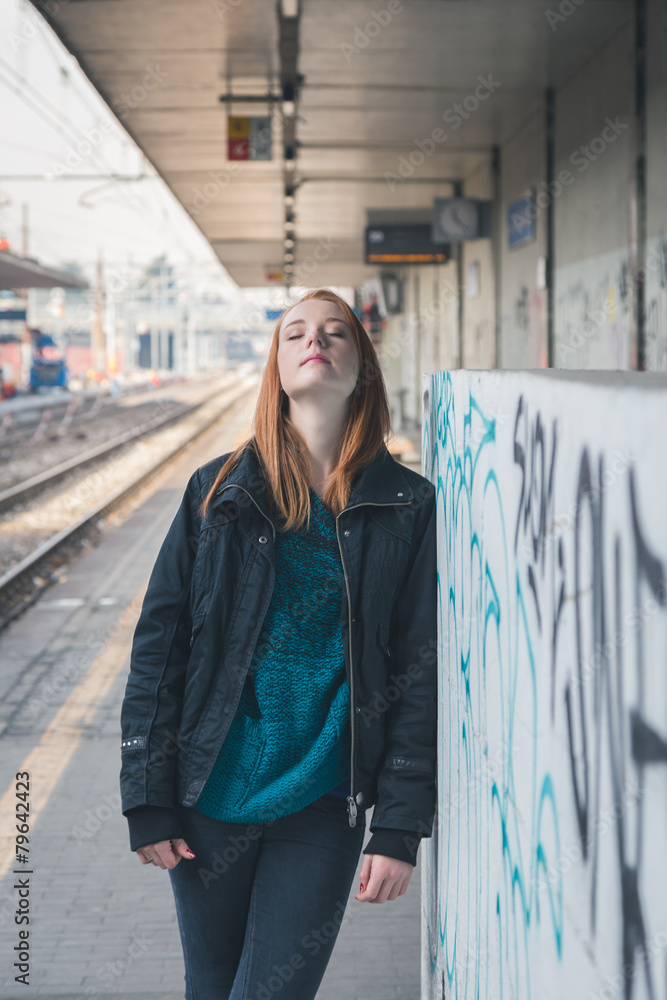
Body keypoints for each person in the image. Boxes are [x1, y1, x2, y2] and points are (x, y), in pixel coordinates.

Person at [119, 287, 438, 1000]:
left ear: (362, 365)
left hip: (321, 801)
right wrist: (146, 798)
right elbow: (160, 645)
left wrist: (398, 826)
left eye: (334, 332)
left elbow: (420, 674)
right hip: (207, 793)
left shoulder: (407, 506)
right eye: (294, 333)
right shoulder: (219, 491)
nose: (313, 341)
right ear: (277, 367)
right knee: (210, 986)